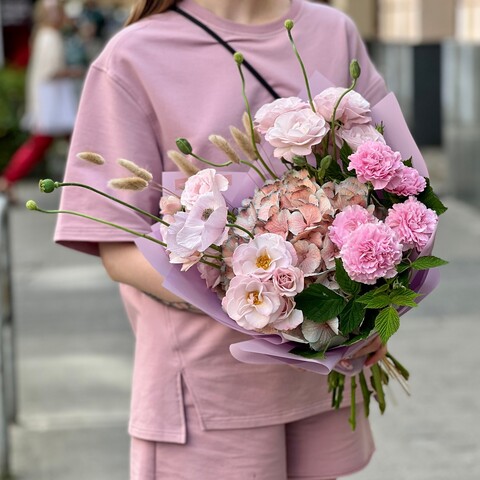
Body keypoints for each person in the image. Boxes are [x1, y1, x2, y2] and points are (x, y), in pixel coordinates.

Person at [54, 1, 388, 478]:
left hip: (321, 375)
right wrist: (267, 308)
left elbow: (389, 184)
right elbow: (116, 248)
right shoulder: (133, 56)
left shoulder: (332, 31)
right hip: (207, 393)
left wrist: (374, 307)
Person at [0, 0, 83, 202]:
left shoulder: (44, 34)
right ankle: (7, 180)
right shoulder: (49, 36)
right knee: (47, 142)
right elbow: (51, 71)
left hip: (52, 102)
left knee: (72, 142)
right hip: (53, 103)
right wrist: (76, 72)